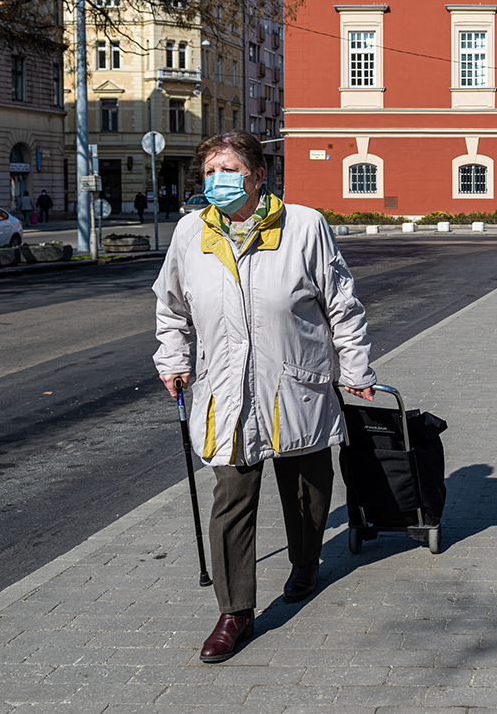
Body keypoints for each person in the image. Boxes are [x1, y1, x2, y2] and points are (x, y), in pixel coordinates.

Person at [153, 130, 376, 664]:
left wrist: (356, 368)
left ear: (257, 175)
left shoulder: (303, 226)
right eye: (208, 172)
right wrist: (175, 360)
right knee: (231, 496)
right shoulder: (190, 233)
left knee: (305, 484)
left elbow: (340, 303)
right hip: (223, 388)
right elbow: (171, 310)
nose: (216, 181)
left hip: (293, 380)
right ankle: (235, 611)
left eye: (227, 169)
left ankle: (305, 562)